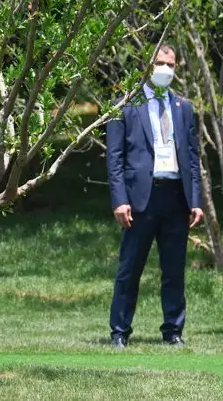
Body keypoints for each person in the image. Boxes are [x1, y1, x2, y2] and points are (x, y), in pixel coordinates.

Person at [105, 44, 203, 349]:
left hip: (175, 198)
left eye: (171, 65)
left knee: (174, 270)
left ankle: (173, 330)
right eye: (160, 63)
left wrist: (195, 200)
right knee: (129, 269)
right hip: (139, 200)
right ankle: (120, 331)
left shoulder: (183, 107)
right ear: (148, 66)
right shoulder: (125, 106)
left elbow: (191, 156)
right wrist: (119, 199)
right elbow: (115, 158)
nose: (165, 69)